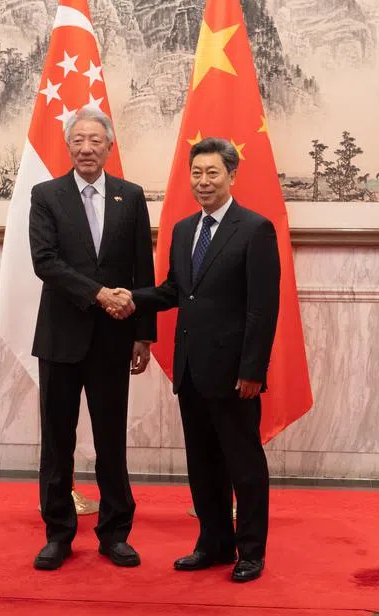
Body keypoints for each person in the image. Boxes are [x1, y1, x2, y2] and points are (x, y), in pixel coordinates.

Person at [119, 136, 280, 583]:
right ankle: (213, 543)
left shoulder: (255, 229)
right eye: (196, 173)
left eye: (212, 173)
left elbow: (263, 308)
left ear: (232, 175)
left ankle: (251, 551)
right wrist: (130, 297)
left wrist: (253, 370)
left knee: (244, 465)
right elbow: (175, 291)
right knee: (203, 463)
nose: (203, 181)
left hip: (234, 375)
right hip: (191, 370)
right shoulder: (184, 229)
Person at [28, 107, 155, 571]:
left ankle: (115, 534)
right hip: (61, 338)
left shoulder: (131, 196)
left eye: (95, 141)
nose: (86, 148)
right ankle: (58, 534)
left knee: (111, 441)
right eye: (78, 140)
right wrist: (99, 294)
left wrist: (144, 334)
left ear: (109, 146)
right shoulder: (47, 195)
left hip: (114, 340)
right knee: (57, 441)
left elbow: (143, 267)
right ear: (68, 145)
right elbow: (45, 262)